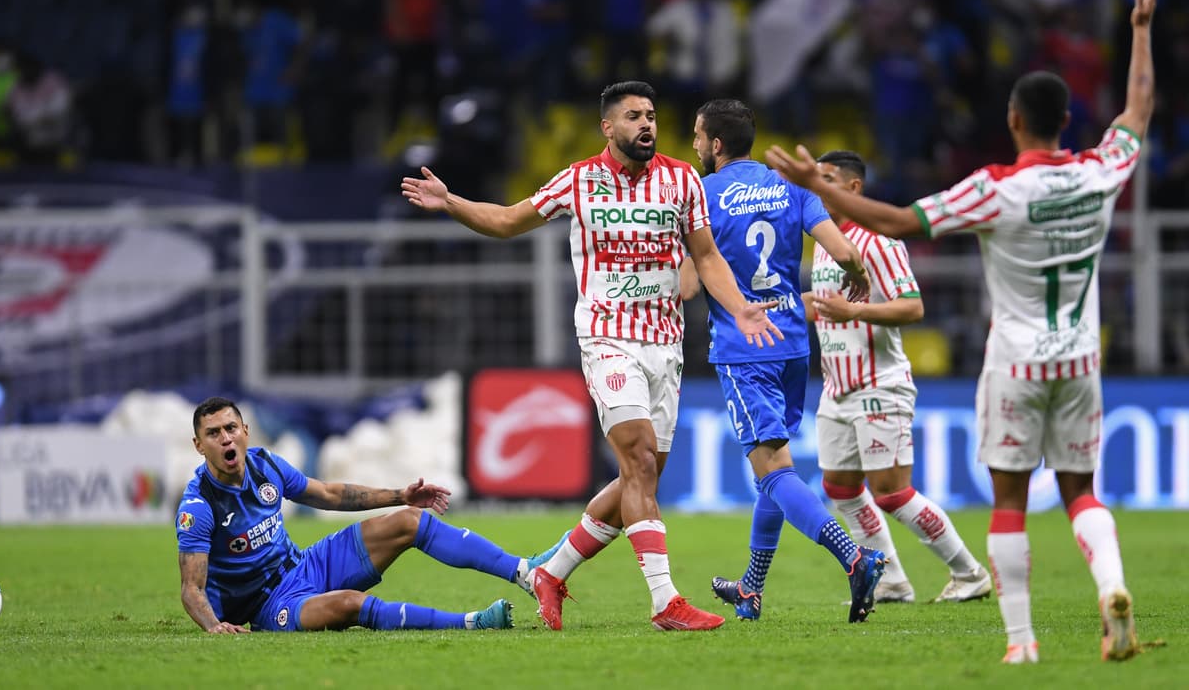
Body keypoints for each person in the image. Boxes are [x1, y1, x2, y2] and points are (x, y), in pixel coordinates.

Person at [765, 0, 1165, 664]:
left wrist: (809, 184)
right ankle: (1110, 588)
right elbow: (1137, 111)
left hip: (1011, 359)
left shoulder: (994, 191)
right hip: (1079, 358)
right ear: (1067, 121)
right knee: (1080, 492)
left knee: (1005, 501)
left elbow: (896, 218)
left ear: (1013, 121)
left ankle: (1018, 639)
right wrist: (1139, 32)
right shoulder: (1100, 172)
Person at [402, 81, 781, 632]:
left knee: (641, 479)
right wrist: (450, 202)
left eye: (651, 115)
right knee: (641, 463)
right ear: (608, 127)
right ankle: (664, 603)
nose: (646, 124)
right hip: (607, 339)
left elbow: (705, 256)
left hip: (664, 345)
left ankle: (551, 572)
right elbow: (509, 221)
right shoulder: (577, 181)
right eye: (633, 116)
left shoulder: (682, 180)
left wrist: (742, 308)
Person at [679, 99, 887, 624]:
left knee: (772, 470)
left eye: (699, 137)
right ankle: (751, 589)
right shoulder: (790, 184)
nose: (695, 144)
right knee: (776, 466)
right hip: (793, 342)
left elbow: (685, 287)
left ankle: (854, 557)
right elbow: (840, 249)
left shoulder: (700, 194)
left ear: (716, 144)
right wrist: (857, 272)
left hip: (743, 347)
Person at [176, 396, 542, 634]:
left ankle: (524, 572)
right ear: (198, 445)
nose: (225, 439)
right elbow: (191, 589)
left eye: (230, 428)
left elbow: (329, 494)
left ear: (245, 431)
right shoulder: (199, 507)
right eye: (213, 433)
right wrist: (213, 626)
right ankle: (473, 623)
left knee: (411, 520)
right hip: (271, 606)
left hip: (306, 566)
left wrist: (401, 495)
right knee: (351, 603)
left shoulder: (266, 465)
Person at [804, 149, 991, 605]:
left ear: (852, 188)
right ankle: (888, 577)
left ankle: (969, 573)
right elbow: (825, 304)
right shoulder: (828, 244)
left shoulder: (878, 242)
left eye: (827, 178)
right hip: (836, 387)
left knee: (891, 493)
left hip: (878, 384)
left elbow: (913, 307)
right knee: (840, 488)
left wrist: (857, 310)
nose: (817, 187)